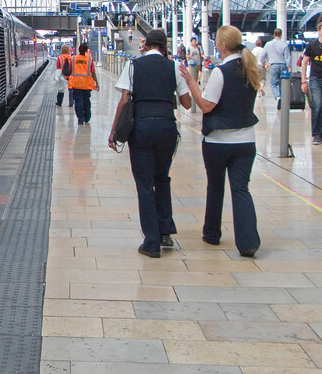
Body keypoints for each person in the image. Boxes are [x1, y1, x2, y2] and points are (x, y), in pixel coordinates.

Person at [179, 25, 261, 258]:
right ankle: (248, 242)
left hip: (218, 142)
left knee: (215, 187)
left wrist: (190, 81)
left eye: (217, 41)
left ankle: (212, 233)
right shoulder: (250, 69)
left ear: (223, 46)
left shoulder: (220, 72)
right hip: (246, 141)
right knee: (241, 189)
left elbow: (206, 105)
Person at [109, 30, 191, 258]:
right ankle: (165, 232)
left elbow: (124, 100)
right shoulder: (174, 67)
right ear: (164, 47)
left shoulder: (134, 66)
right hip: (167, 129)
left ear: (145, 46)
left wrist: (114, 130)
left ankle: (152, 242)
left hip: (142, 129)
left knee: (145, 184)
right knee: (162, 178)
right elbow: (186, 104)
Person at [68, 42, 98, 125]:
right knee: (86, 101)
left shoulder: (73, 58)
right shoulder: (89, 60)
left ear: (78, 50)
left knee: (78, 102)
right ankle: (87, 117)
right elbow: (93, 72)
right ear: (86, 51)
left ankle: (80, 119)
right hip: (86, 84)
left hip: (76, 84)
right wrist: (97, 83)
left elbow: (70, 70)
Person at [264, 28, 291, 104]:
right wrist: (289, 66)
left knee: (273, 83)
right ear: (281, 35)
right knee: (282, 83)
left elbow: (263, 55)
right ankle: (283, 98)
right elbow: (287, 56)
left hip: (273, 65)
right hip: (283, 65)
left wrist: (263, 63)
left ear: (274, 34)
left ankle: (278, 97)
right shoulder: (284, 44)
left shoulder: (268, 44)